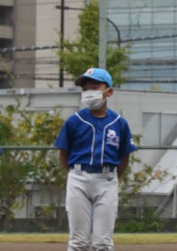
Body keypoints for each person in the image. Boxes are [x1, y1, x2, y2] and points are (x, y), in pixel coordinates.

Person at [55, 67, 136, 251]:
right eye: (85, 89)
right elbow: (63, 153)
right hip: (78, 177)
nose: (89, 93)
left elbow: (124, 157)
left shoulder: (119, 123)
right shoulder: (74, 121)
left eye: (94, 87)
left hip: (107, 180)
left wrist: (112, 178)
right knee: (78, 242)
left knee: (103, 243)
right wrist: (75, 175)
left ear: (109, 91)